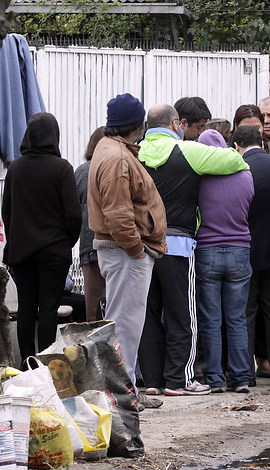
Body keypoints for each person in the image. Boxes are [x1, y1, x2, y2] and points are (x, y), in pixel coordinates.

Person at [137, 105, 250, 396]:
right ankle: (178, 380)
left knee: (149, 314)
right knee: (182, 314)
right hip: (178, 244)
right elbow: (232, 161)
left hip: (142, 247)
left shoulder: (136, 154)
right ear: (175, 124)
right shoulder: (186, 151)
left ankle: (151, 381)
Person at [87, 93, 167, 399]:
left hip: (120, 251)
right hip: (125, 253)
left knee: (124, 324)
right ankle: (122, 395)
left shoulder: (110, 150)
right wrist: (137, 251)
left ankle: (124, 390)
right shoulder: (118, 158)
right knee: (126, 327)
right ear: (138, 124)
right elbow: (119, 215)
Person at [2, 112, 81, 367]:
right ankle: (47, 365)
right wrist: (66, 242)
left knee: (26, 308)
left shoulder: (15, 168)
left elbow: (7, 210)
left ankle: (26, 364)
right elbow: (73, 213)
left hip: (22, 252)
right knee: (48, 309)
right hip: (54, 251)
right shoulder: (62, 168)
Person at [195, 128, 255, 393]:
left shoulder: (198, 177)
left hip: (207, 250)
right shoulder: (245, 174)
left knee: (211, 319)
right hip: (240, 249)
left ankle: (214, 378)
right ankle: (241, 377)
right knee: (237, 318)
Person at [231, 125, 270, 387]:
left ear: (236, 147)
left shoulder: (236, 169)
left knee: (247, 313)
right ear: (263, 143)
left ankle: (246, 375)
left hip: (247, 251)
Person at [74, 126, 106, 322]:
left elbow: (74, 207)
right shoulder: (119, 166)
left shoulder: (81, 171)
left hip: (89, 244)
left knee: (92, 306)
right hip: (116, 245)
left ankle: (95, 348)